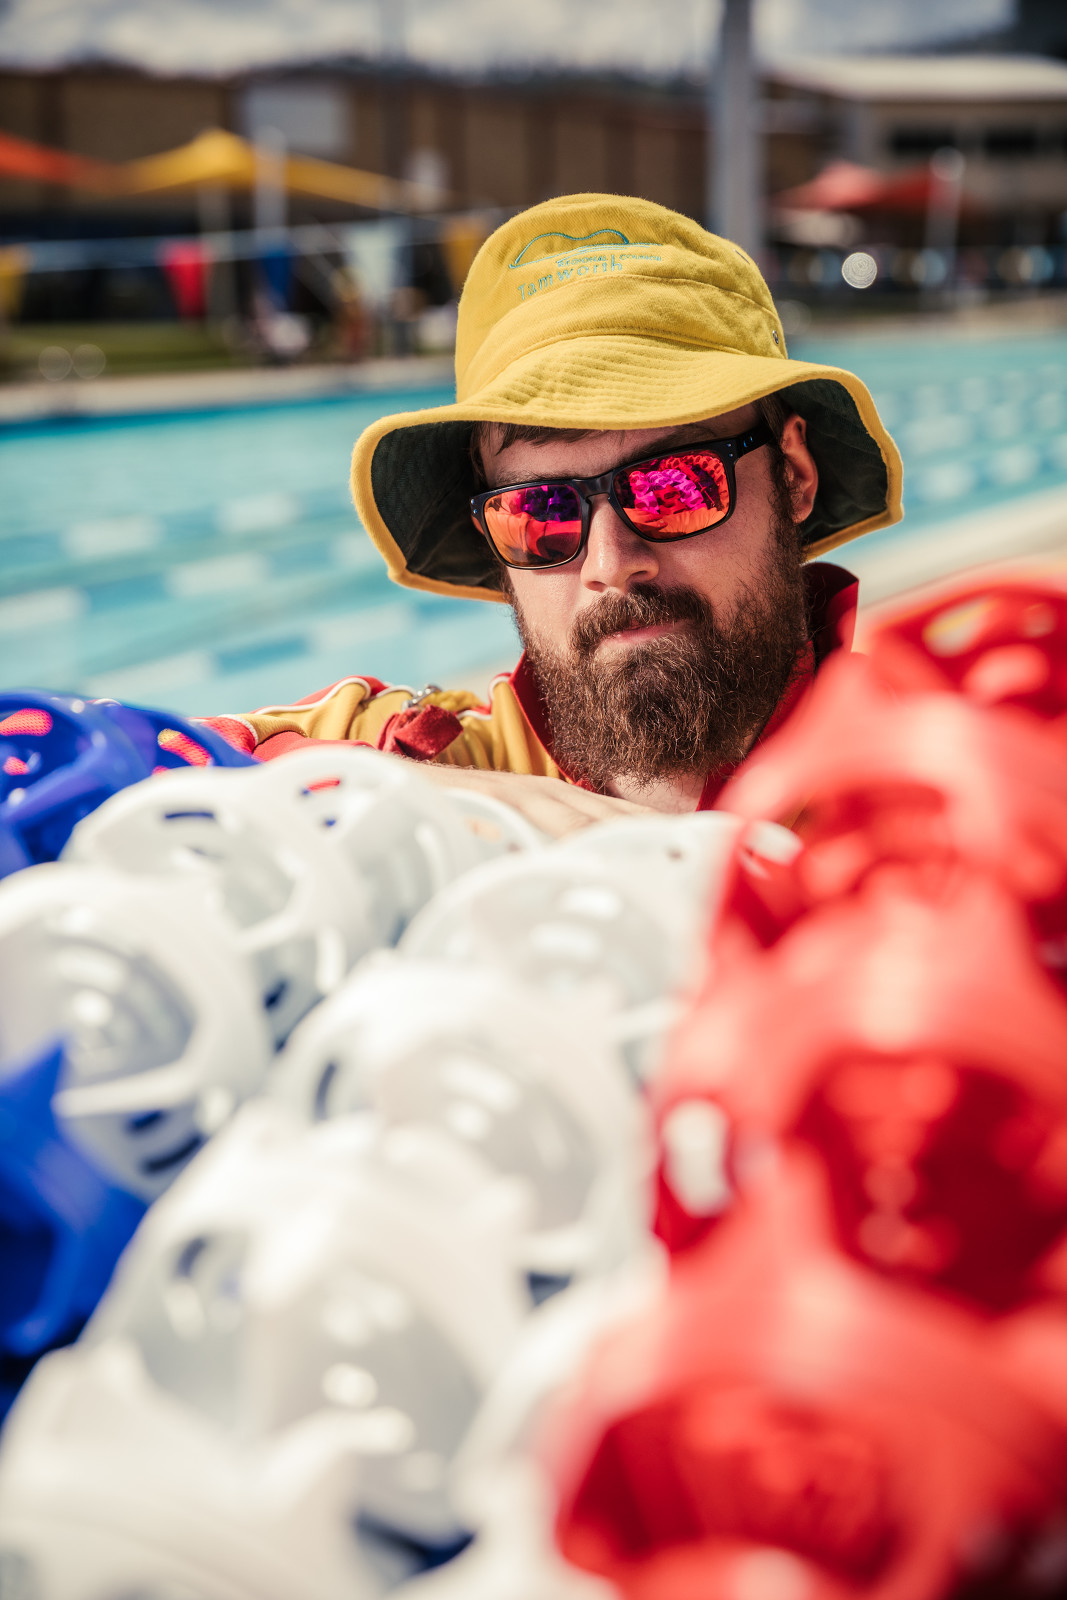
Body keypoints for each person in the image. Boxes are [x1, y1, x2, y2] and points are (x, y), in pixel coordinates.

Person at [203, 195, 902, 836]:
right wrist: (401, 790)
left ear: (793, 476)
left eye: (674, 485)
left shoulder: (928, 769)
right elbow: (148, 758)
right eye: (538, 511)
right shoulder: (439, 762)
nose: (611, 564)